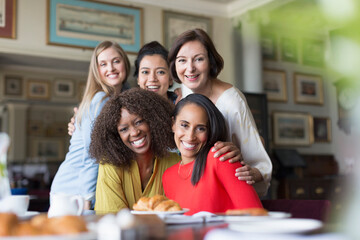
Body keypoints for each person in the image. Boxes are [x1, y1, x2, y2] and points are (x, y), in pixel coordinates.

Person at [89, 88, 244, 214]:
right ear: (116, 135)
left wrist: (232, 155)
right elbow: (112, 221)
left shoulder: (174, 163)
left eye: (139, 122)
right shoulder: (110, 166)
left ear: (152, 120)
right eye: (124, 129)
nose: (134, 132)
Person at [168, 28, 272, 196]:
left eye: (199, 59)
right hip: (191, 188)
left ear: (210, 62)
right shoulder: (180, 95)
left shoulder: (232, 101)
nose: (190, 68)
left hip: (227, 191)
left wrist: (251, 170)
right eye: (182, 60)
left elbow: (259, 161)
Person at [50, 40, 131, 210]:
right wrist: (87, 198)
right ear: (97, 71)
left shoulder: (121, 99)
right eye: (103, 64)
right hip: (73, 189)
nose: (111, 68)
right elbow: (92, 152)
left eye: (116, 61)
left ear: (125, 63)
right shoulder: (101, 99)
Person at [162, 94, 263, 215]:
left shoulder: (221, 158)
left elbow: (257, 215)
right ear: (173, 124)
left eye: (200, 128)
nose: (190, 136)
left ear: (210, 131)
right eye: (184, 125)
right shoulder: (168, 176)